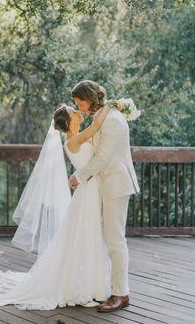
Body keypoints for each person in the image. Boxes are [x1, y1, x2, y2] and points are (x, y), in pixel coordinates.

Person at [0, 102, 112, 312]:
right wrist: (112, 107)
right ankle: (79, 290)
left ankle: (91, 286)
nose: (79, 113)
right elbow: (96, 128)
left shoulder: (74, 138)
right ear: (68, 123)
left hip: (89, 189)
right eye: (74, 112)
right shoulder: (73, 140)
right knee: (84, 237)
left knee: (89, 236)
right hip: (86, 192)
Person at [69, 80, 140, 313]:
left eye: (80, 102)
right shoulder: (102, 117)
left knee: (115, 240)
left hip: (116, 185)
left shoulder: (112, 121)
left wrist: (79, 176)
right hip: (105, 185)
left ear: (90, 98)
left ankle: (122, 294)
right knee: (107, 238)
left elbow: (103, 159)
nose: (79, 107)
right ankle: (108, 288)